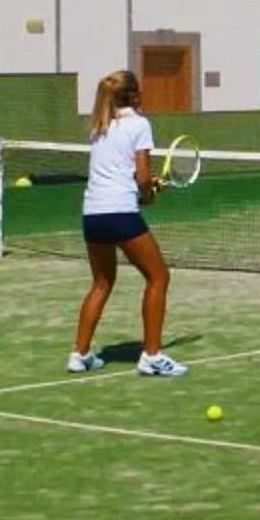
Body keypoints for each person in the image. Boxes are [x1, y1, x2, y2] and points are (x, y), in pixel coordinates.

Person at [69, 69, 183, 377]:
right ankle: (153, 356)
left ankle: (79, 354)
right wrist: (149, 192)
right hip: (120, 212)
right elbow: (142, 178)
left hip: (92, 214)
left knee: (101, 283)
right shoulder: (140, 125)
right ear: (135, 94)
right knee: (159, 278)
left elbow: (122, 171)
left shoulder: (99, 126)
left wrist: (144, 186)